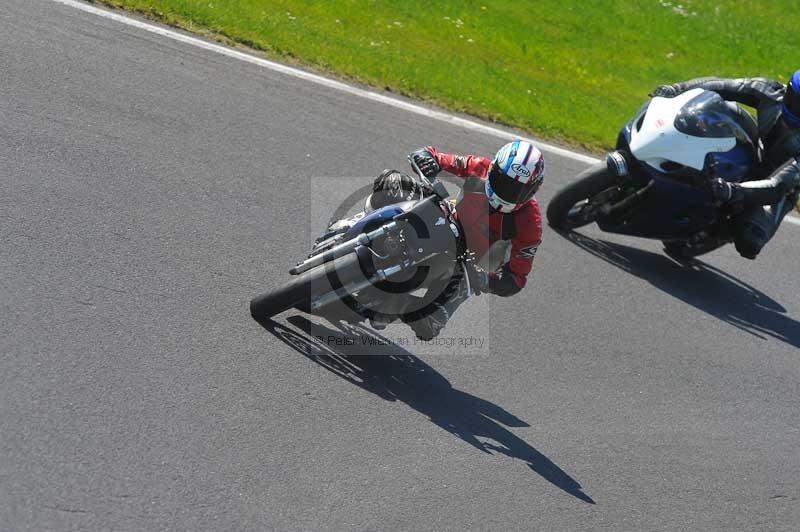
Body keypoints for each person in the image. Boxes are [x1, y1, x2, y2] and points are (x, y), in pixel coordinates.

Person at [367, 140, 544, 340]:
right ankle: (356, 228)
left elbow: (516, 279)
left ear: (532, 192)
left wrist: (485, 279)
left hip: (466, 261)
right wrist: (427, 160)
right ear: (494, 167)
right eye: (503, 181)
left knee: (428, 326)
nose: (506, 192)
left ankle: (398, 305)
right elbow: (431, 155)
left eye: (517, 190)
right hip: (446, 218)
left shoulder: (530, 225)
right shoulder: (479, 167)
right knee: (391, 181)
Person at [652, 70, 800, 259]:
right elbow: (721, 85)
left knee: (750, 241)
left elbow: (777, 186)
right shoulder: (771, 92)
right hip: (754, 147)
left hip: (779, 187)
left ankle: (721, 231)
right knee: (718, 110)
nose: (797, 109)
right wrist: (677, 88)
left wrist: (733, 191)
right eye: (796, 100)